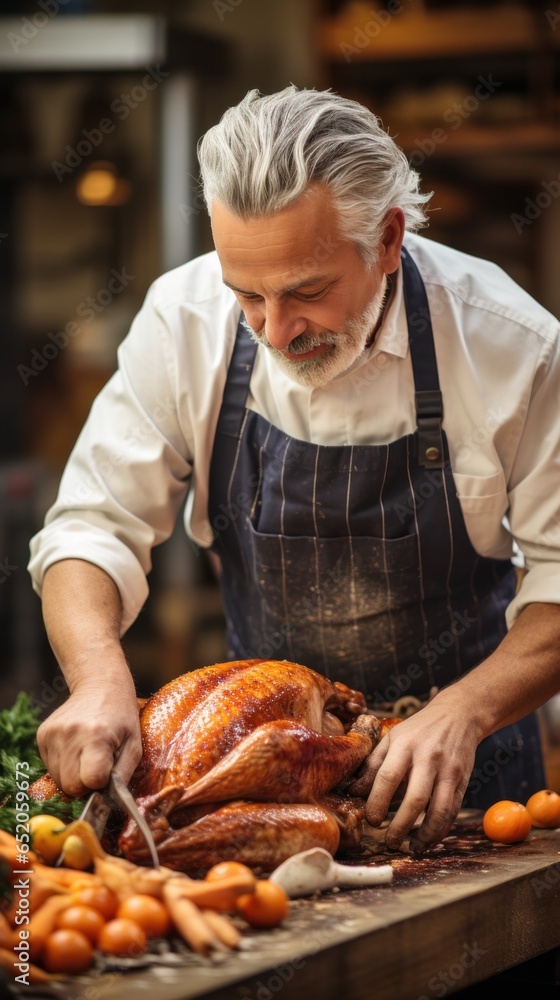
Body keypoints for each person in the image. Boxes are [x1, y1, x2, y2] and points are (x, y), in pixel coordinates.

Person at [28, 86, 560, 854]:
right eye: (246, 293)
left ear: (386, 240)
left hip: (458, 767)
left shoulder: (513, 346)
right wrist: (99, 676)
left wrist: (468, 711)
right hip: (250, 786)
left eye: (306, 292)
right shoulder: (182, 322)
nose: (274, 331)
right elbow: (92, 525)